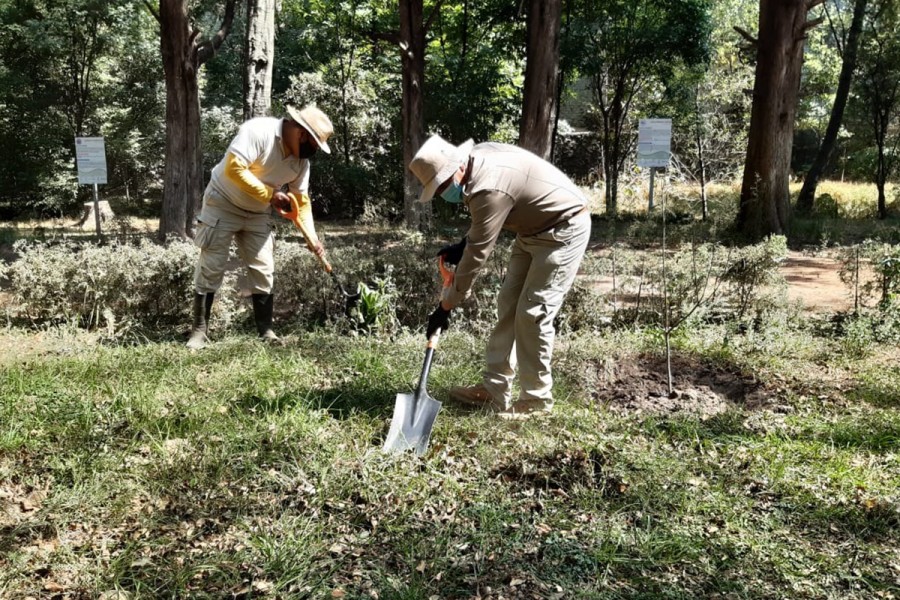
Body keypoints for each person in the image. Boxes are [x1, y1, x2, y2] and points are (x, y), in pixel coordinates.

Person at [409, 135, 591, 418]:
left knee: (533, 311)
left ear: (458, 167)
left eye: (444, 184)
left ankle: (535, 401)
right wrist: (463, 245)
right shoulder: (477, 163)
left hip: (564, 228)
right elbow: (480, 232)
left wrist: (445, 306)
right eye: (439, 188)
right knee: (508, 302)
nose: (444, 191)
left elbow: (476, 257)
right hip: (531, 231)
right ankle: (494, 390)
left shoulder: (488, 188)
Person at [186, 105, 334, 349]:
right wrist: (270, 194)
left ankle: (265, 330)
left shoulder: (300, 164)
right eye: (314, 144)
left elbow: (301, 201)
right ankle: (199, 331)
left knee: (264, 269)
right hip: (222, 202)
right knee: (211, 266)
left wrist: (312, 238)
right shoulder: (257, 132)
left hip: (257, 213)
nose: (313, 152)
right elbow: (234, 169)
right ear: (301, 133)